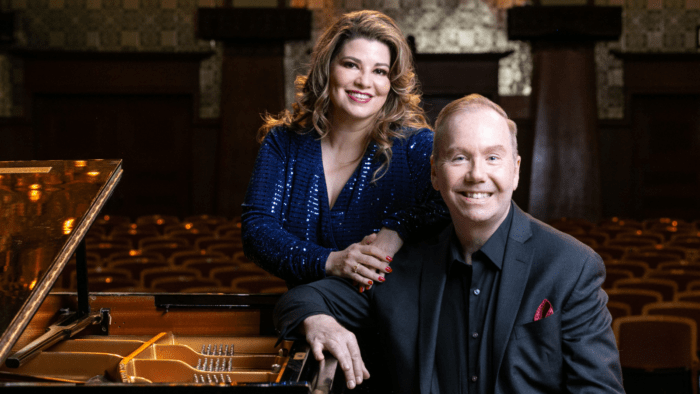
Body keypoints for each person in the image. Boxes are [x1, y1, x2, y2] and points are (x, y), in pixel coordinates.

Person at [274, 94, 624, 393]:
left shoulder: (570, 266)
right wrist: (318, 320)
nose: (476, 174)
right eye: (459, 157)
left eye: (492, 157)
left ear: (515, 171)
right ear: (434, 174)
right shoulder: (400, 267)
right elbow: (299, 300)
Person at [241, 10, 449, 289]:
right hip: (305, 314)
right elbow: (257, 231)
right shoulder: (283, 143)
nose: (364, 81)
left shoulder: (416, 147)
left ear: (391, 83)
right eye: (351, 65)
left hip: (389, 323)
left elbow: (458, 205)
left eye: (379, 71)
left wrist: (399, 227)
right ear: (327, 68)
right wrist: (331, 261)